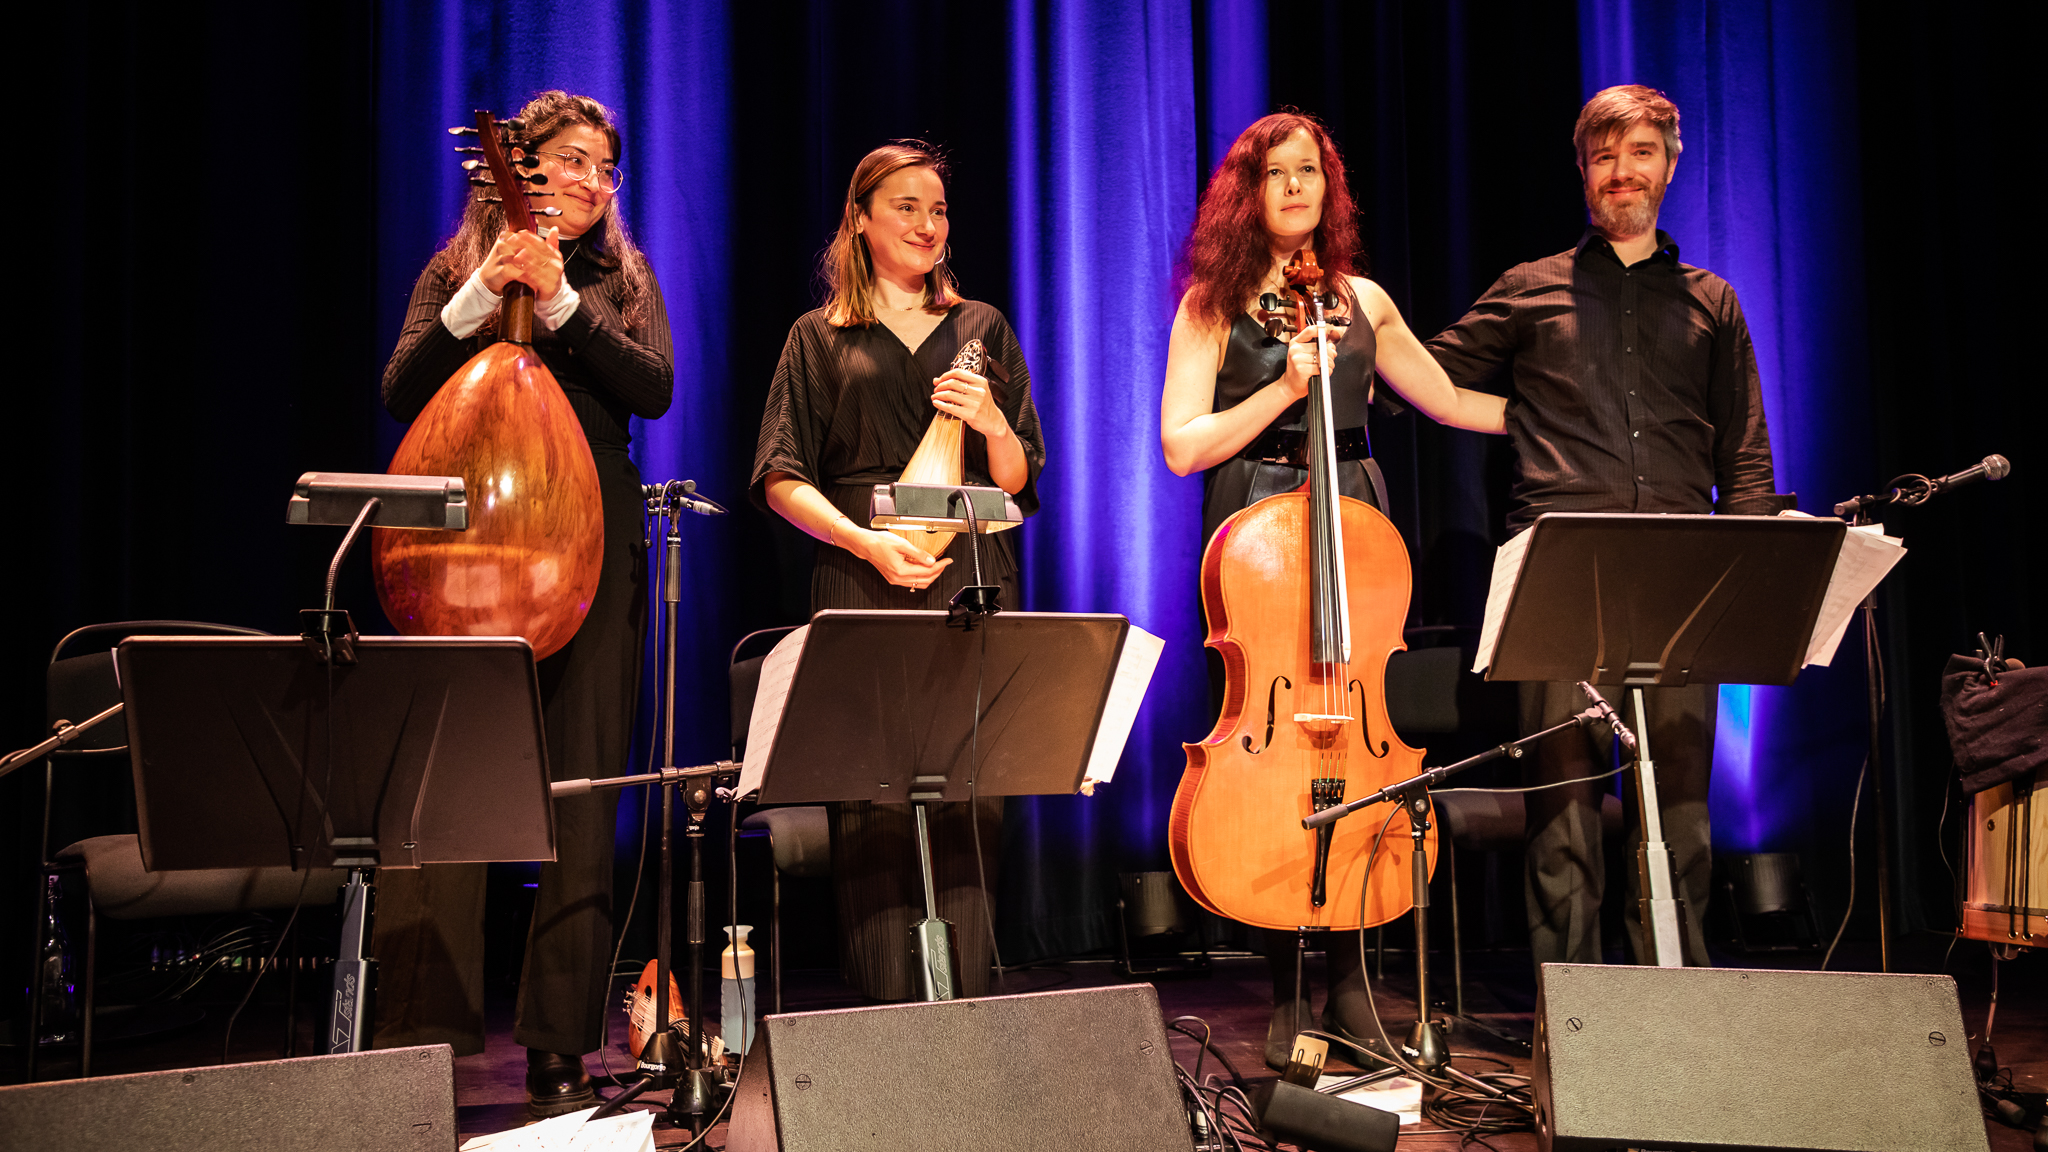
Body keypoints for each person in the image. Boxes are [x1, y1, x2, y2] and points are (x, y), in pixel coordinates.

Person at [1160, 111, 1505, 1069]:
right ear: (1249, 192)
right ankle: (1285, 987)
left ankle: (1355, 985)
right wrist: (1279, 389)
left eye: (1311, 171)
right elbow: (1182, 445)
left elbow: (1449, 402)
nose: (1298, 187)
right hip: (1259, 515)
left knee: (1360, 744)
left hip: (1354, 505)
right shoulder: (1211, 305)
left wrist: (1565, 413)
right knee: (1273, 756)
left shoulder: (1363, 300)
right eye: (1278, 175)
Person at [1426, 85, 1777, 970]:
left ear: (1669, 162)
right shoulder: (1530, 288)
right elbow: (1421, 377)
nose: (1625, 173)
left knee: (1683, 808)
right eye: (1605, 157)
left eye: (1642, 153)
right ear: (1583, 169)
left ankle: (1677, 1003)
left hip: (1681, 575)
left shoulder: (1713, 302)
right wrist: (1518, 416)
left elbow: (1744, 456)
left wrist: (1749, 580)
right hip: (1561, 569)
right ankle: (1575, 1012)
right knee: (1565, 810)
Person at [373, 90, 673, 1118]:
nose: (590, 181)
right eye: (571, 162)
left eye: (605, 167)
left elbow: (652, 390)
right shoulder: (452, 268)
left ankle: (557, 1045)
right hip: (460, 553)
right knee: (441, 797)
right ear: (520, 168)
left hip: (592, 550)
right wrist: (482, 298)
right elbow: (401, 387)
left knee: (582, 796)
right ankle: (418, 1039)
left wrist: (559, 309)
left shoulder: (619, 279)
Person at [750, 141, 1044, 1002]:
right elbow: (779, 475)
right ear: (862, 219)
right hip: (863, 574)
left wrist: (991, 419)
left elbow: (1022, 475)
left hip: (970, 580)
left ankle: (968, 1025)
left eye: (939, 208)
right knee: (874, 802)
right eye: (907, 206)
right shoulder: (818, 336)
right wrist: (868, 543)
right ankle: (890, 1029)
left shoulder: (981, 327)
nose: (927, 223)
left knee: (968, 796)